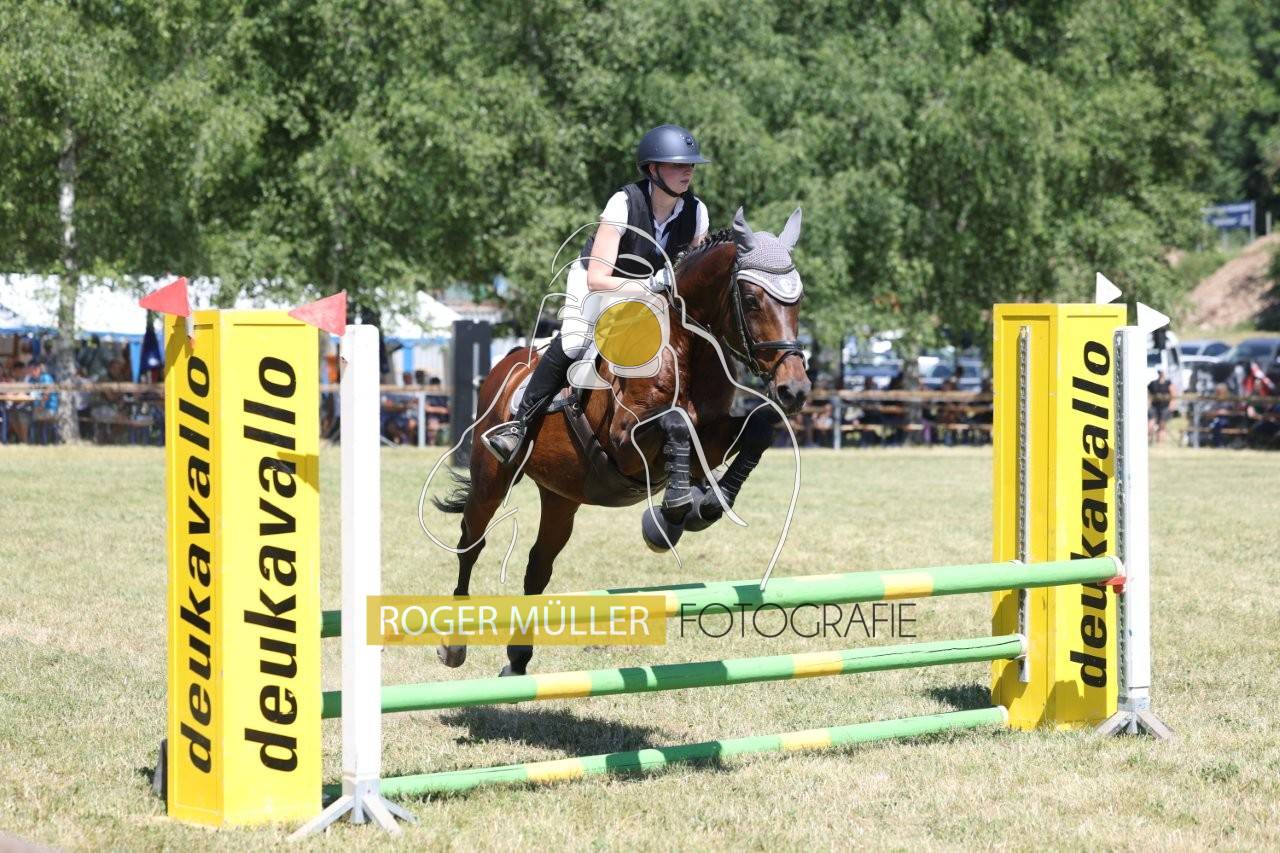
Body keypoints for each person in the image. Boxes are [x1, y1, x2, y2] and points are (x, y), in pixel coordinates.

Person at [483, 124, 712, 464]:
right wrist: (652, 284)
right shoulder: (624, 203)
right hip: (600, 284)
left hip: (654, 295)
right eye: (677, 164)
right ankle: (519, 424)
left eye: (690, 164)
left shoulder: (697, 212)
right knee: (576, 341)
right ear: (653, 169)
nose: (688, 170)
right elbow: (598, 278)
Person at [1147, 369, 1175, 445]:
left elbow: (1173, 395)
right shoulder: (1153, 383)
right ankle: (1148, 440)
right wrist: (1148, 403)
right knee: (1151, 423)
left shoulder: (1168, 383)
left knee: (1162, 425)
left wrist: (1172, 405)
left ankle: (1160, 442)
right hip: (1154, 407)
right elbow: (1148, 394)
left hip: (1165, 407)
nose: (1161, 374)